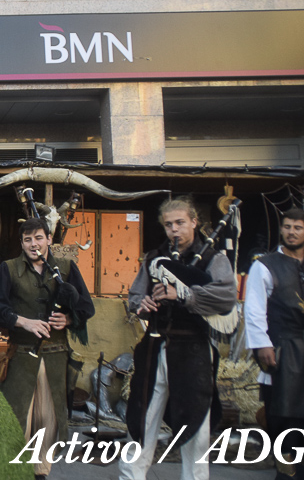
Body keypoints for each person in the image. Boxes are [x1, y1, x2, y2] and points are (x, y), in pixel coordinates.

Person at [120, 197, 238, 480]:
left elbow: (225, 297)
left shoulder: (214, 259)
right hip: (154, 347)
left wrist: (184, 295)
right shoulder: (154, 258)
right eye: (169, 224)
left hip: (193, 349)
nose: (174, 230)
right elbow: (135, 296)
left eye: (180, 223)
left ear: (194, 222)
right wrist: (142, 304)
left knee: (195, 428)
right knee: (142, 419)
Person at [0, 219, 94, 480]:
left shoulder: (66, 268)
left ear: (48, 239)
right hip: (21, 356)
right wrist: (23, 321)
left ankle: (40, 474)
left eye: (38, 238)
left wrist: (68, 319)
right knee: (16, 416)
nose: (33, 244)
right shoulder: (9, 268)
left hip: (56, 357)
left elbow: (86, 307)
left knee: (48, 420)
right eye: (27, 240)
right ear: (21, 243)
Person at [244, 207, 304, 480]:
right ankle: (286, 472)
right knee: (283, 416)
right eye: (288, 227)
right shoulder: (265, 264)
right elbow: (254, 309)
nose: (292, 232)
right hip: (282, 348)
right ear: (281, 229)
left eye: (298, 227)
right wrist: (261, 345)